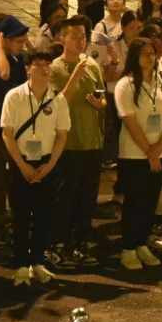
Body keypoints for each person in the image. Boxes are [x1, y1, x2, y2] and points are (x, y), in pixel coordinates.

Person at [0, 48, 72, 284]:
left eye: (47, 65)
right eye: (38, 64)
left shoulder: (58, 99)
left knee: (44, 216)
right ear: (27, 69)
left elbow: (62, 135)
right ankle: (21, 264)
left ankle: (38, 261)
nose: (44, 69)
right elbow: (7, 133)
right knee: (20, 215)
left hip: (47, 163)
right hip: (20, 162)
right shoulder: (14, 96)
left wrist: (50, 165)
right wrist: (22, 165)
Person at [113, 37, 162, 270]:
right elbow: (129, 120)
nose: (150, 58)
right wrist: (150, 151)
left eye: (153, 53)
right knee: (134, 201)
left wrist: (160, 146)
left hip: (161, 151)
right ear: (134, 57)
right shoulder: (125, 84)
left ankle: (142, 242)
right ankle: (128, 248)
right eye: (145, 54)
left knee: (151, 200)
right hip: (134, 153)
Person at [49, 18, 106, 267]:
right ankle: (60, 244)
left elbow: (102, 97)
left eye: (83, 36)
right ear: (62, 38)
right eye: (75, 36)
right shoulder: (55, 68)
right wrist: (75, 75)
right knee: (66, 198)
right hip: (68, 144)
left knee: (87, 197)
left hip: (92, 142)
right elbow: (57, 102)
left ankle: (81, 243)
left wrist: (100, 104)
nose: (81, 41)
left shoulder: (92, 65)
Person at [0, 15, 30, 239]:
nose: (23, 45)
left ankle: (14, 219)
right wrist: (0, 48)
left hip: (16, 126)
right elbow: (3, 74)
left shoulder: (17, 58)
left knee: (15, 177)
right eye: (18, 41)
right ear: (6, 40)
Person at [90, 0, 130, 71]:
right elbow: (94, 51)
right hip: (110, 68)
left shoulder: (129, 24)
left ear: (124, 4)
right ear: (106, 6)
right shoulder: (101, 26)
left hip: (127, 65)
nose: (115, 1)